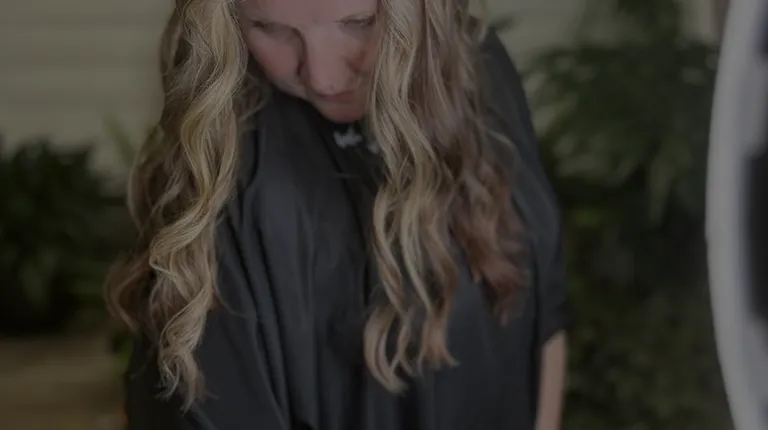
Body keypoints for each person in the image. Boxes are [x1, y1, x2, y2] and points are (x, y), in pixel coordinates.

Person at [106, 0, 568, 429]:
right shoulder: (230, 172)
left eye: (359, 22)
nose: (322, 77)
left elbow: (544, 310)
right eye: (270, 29)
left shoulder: (479, 66)